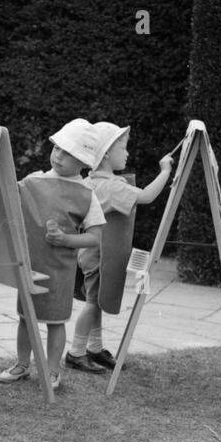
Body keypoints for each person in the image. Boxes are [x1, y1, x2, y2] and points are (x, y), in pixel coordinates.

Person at [0, 119, 105, 392]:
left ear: (82, 161)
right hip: (30, 264)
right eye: (57, 148)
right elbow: (7, 199)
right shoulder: (33, 181)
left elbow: (95, 237)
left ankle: (52, 370)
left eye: (68, 153)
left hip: (60, 270)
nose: (58, 155)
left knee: (56, 322)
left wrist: (67, 239)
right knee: (25, 317)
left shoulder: (86, 194)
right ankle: (22, 364)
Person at [67, 121, 174, 372]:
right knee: (93, 303)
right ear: (105, 154)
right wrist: (166, 171)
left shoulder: (91, 181)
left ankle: (94, 348)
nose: (127, 153)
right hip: (99, 257)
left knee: (97, 301)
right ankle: (76, 352)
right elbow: (147, 196)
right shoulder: (112, 186)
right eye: (123, 148)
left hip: (88, 254)